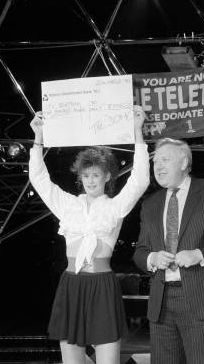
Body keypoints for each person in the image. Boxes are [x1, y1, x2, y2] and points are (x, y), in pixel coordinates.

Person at [29, 106, 150, 364]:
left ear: (107, 176)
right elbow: (39, 179)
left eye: (96, 175)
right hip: (71, 284)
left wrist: (138, 134)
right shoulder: (67, 204)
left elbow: (140, 180)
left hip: (102, 285)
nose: (90, 180)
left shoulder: (115, 206)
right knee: (72, 360)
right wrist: (38, 139)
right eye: (86, 175)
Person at [133, 138, 204, 364]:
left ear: (183, 163)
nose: (158, 166)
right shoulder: (150, 203)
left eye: (165, 160)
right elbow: (140, 251)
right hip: (161, 302)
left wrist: (198, 255)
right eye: (155, 162)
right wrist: (152, 257)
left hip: (199, 298)